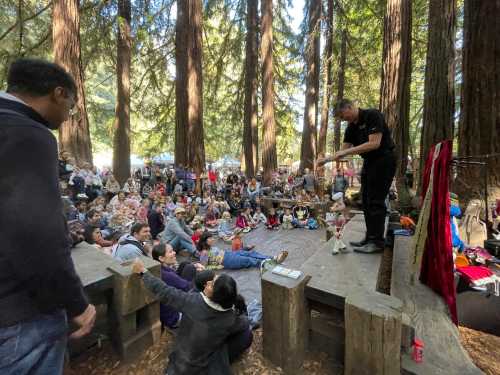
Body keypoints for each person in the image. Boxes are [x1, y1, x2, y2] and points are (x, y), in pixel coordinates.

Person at [0, 58, 95, 374]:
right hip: (20, 313)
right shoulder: (29, 134)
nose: (70, 115)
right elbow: (37, 234)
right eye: (71, 104)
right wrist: (77, 304)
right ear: (58, 94)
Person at [132, 259, 251, 375]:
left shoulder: (192, 301)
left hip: (181, 361)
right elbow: (244, 323)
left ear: (214, 295)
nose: (209, 282)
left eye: (212, 283)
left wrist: (143, 272)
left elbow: (164, 291)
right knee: (247, 334)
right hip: (203, 363)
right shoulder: (230, 319)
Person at [318, 99, 396, 253]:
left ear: (350, 107)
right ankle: (370, 237)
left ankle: (377, 242)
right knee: (365, 199)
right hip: (369, 162)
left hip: (384, 159)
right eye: (340, 117)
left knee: (376, 200)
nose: (342, 118)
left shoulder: (372, 115)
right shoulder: (351, 128)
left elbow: (374, 143)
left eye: (342, 114)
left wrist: (346, 152)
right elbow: (342, 152)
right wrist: (325, 160)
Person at [152, 243, 200, 329]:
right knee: (198, 281)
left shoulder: (160, 269)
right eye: (170, 252)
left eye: (173, 250)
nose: (174, 253)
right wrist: (203, 278)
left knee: (186, 265)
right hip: (174, 318)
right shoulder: (167, 276)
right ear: (161, 258)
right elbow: (189, 287)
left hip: (168, 309)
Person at [197, 233, 288, 270]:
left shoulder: (211, 247)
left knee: (251, 253)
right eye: (210, 238)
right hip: (227, 261)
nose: (212, 239)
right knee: (248, 260)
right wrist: (217, 266)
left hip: (229, 254)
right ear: (205, 240)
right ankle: (271, 263)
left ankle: (274, 258)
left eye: (212, 238)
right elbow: (204, 267)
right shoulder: (204, 253)